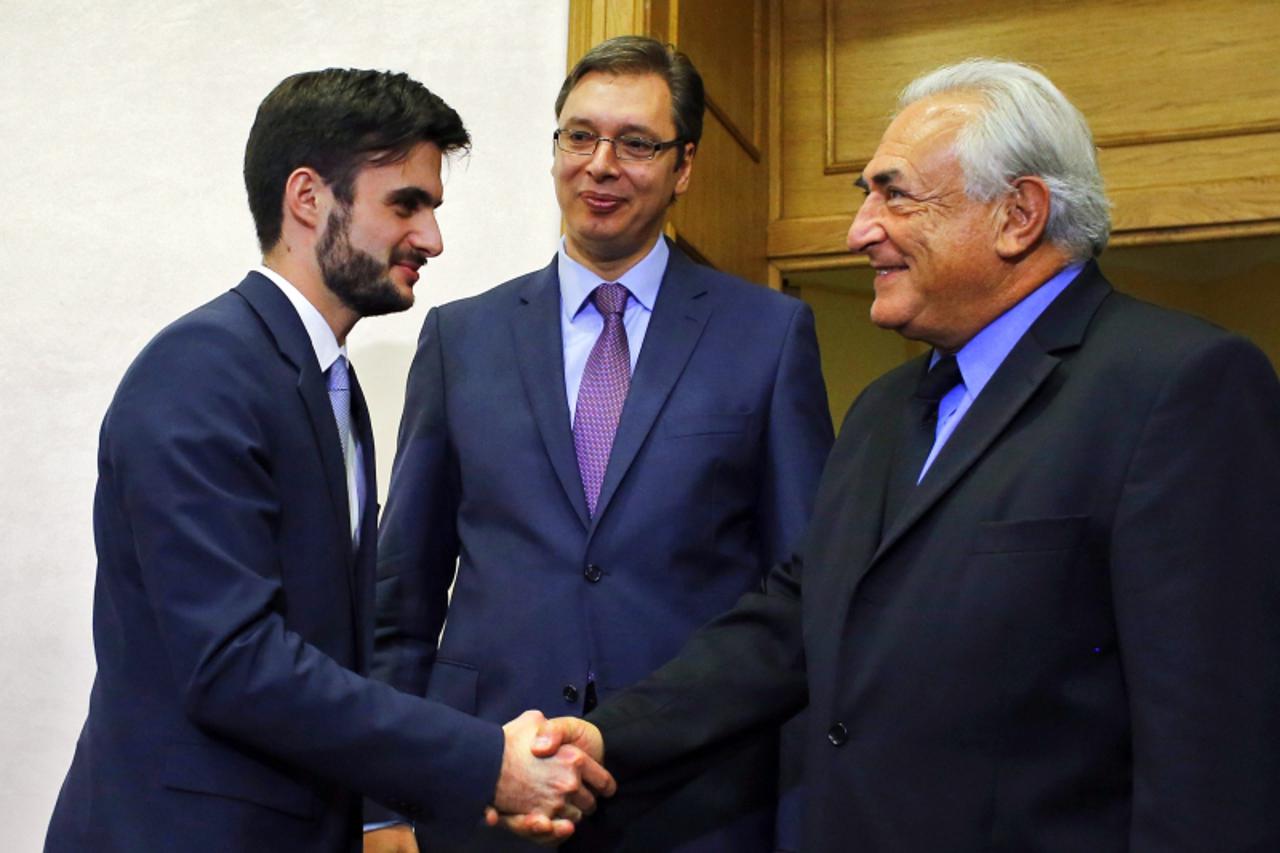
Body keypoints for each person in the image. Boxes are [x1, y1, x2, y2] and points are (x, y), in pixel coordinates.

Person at [515, 58, 1280, 851]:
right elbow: (788, 627)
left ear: (1018, 215)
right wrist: (605, 738)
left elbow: (1213, 746)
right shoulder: (885, 409)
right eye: (865, 196)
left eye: (895, 194)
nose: (860, 231)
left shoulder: (1177, 385)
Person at [44, 68, 612, 853]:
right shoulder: (202, 370)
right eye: (405, 205)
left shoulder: (329, 388)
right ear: (308, 198)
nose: (432, 239)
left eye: (433, 209)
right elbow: (236, 662)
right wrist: (487, 760)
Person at [365, 36, 832, 853]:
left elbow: (805, 602)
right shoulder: (460, 338)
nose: (601, 164)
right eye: (579, 136)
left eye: (636, 143)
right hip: (481, 800)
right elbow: (402, 598)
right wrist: (381, 807)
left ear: (684, 165)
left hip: (697, 804)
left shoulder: (768, 335)